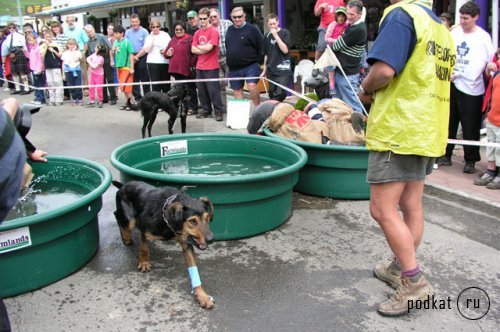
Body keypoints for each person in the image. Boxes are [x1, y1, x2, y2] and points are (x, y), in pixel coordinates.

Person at [357, 0, 455, 316]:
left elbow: (384, 70)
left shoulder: (401, 15)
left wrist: (365, 88)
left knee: (382, 208)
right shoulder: (440, 27)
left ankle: (413, 281)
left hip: (399, 129)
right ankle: (401, 266)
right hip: (428, 128)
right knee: (412, 204)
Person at [437, 1, 495, 173]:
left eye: (466, 18)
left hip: (471, 86)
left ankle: (470, 159)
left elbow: (486, 62)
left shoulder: (483, 37)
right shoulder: (455, 33)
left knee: (470, 125)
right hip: (451, 82)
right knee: (449, 121)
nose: (462, 21)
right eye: (460, 17)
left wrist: (464, 74)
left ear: (476, 17)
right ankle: (445, 154)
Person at [329, 0, 366, 114]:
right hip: (343, 71)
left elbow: (336, 46)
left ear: (360, 14)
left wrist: (335, 43)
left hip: (348, 73)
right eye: (348, 13)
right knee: (342, 107)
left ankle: (358, 130)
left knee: (353, 107)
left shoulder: (357, 29)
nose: (348, 17)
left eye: (352, 14)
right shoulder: (351, 26)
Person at [225, 6, 264, 107]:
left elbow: (261, 46)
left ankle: (257, 109)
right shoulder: (229, 30)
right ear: (231, 17)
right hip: (234, 68)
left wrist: (259, 63)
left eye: (240, 16)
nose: (237, 19)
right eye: (234, 17)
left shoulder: (252, 29)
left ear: (244, 16)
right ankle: (241, 117)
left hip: (251, 65)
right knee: (237, 91)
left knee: (252, 86)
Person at [191, 7, 224, 121]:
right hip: (199, 66)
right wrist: (202, 48)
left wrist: (199, 48)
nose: (202, 21)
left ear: (209, 18)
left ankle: (218, 111)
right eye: (200, 19)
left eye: (204, 18)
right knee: (202, 91)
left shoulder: (214, 32)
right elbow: (193, 50)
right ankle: (206, 110)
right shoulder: (197, 33)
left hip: (211, 66)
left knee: (213, 91)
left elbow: (210, 48)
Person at [475, 51, 500, 189]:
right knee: (491, 146)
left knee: (499, 149)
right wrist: (487, 113)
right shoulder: (496, 75)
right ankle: (491, 170)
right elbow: (491, 95)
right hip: (492, 118)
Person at [164, 22, 198, 113]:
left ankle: (193, 107)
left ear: (184, 30)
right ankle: (183, 106)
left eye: (180, 29)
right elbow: (166, 53)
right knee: (180, 90)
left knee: (190, 89)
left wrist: (191, 64)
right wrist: (167, 53)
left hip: (187, 69)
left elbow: (195, 53)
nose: (178, 31)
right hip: (176, 70)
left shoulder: (190, 39)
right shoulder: (172, 40)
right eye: (176, 30)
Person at [260, 13, 292, 102]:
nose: (272, 26)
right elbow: (266, 55)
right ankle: (275, 111)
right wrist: (264, 71)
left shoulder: (285, 32)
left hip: (283, 70)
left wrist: (276, 36)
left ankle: (273, 108)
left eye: (274, 23)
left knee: (280, 93)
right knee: (272, 93)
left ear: (278, 22)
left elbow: (285, 50)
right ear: (267, 24)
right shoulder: (266, 36)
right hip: (271, 70)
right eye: (270, 24)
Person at [84, 24, 117, 105]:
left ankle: (113, 98)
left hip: (106, 59)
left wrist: (111, 60)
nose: (90, 33)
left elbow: (110, 48)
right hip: (98, 63)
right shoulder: (88, 42)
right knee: (101, 81)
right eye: (88, 32)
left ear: (94, 30)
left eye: (91, 31)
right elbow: (91, 54)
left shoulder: (101, 37)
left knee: (110, 80)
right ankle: (104, 98)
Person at [136, 19, 171, 93]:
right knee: (155, 85)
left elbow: (170, 46)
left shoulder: (165, 35)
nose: (155, 28)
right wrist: (152, 38)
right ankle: (157, 103)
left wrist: (164, 51)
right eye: (153, 27)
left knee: (166, 85)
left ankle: (167, 102)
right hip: (152, 62)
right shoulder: (149, 37)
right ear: (150, 28)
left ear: (160, 27)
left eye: (157, 26)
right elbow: (147, 49)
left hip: (164, 62)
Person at [209, 7, 232, 113]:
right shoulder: (208, 28)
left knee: (234, 83)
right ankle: (223, 108)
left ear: (219, 15)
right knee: (220, 84)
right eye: (211, 17)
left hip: (228, 57)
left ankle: (237, 107)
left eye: (215, 16)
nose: (213, 18)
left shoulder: (227, 23)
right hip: (216, 58)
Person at [126, 14, 151, 102]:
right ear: (130, 22)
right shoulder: (127, 32)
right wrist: (132, 56)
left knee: (144, 77)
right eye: (133, 22)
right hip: (131, 56)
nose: (134, 23)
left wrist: (137, 56)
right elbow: (126, 46)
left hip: (142, 56)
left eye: (136, 21)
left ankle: (147, 97)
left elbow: (146, 46)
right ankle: (138, 98)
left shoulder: (145, 32)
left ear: (139, 21)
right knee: (134, 78)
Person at [1, 23, 30, 95]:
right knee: (14, 72)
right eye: (10, 28)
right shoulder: (8, 37)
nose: (12, 29)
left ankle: (26, 88)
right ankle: (18, 88)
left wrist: (27, 56)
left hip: (19, 52)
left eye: (13, 27)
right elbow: (8, 47)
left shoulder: (19, 36)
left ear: (15, 28)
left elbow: (24, 46)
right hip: (11, 53)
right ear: (8, 29)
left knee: (22, 71)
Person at [63, 16, 89, 97]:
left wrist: (83, 52)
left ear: (74, 21)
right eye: (68, 21)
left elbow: (86, 42)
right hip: (69, 54)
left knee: (83, 71)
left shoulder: (80, 30)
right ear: (66, 22)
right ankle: (75, 91)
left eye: (72, 20)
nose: (70, 22)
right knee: (71, 72)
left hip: (80, 52)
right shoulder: (65, 32)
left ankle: (85, 88)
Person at [111, 25, 135, 111]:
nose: (115, 35)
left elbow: (131, 55)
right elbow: (113, 53)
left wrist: (132, 67)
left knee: (127, 87)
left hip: (126, 67)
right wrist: (112, 57)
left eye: (116, 33)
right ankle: (127, 102)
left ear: (122, 33)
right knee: (123, 87)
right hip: (119, 67)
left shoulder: (127, 42)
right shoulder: (115, 43)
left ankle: (132, 103)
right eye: (114, 33)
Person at [40, 31, 64, 106]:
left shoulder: (56, 45)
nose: (48, 38)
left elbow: (60, 55)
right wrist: (46, 46)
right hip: (48, 67)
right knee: (50, 83)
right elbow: (42, 56)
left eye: (50, 36)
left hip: (56, 66)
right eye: (46, 37)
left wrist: (53, 50)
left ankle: (59, 99)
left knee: (58, 82)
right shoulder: (43, 46)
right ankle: (52, 99)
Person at [50, 21, 70, 101]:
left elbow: (66, 47)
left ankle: (67, 94)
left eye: (56, 27)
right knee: (56, 77)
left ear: (59, 27)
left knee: (63, 76)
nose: (55, 28)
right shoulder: (51, 37)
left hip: (62, 57)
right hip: (53, 59)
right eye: (53, 27)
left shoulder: (64, 36)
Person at [61, 38, 83, 106]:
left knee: (78, 85)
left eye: (73, 44)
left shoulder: (78, 52)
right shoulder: (65, 53)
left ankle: (80, 98)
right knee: (71, 86)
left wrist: (74, 51)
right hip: (68, 71)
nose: (71, 46)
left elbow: (76, 59)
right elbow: (63, 64)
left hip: (76, 70)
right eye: (70, 44)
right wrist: (63, 74)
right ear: (67, 45)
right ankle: (74, 98)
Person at [27, 35, 46, 105]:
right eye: (29, 40)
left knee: (39, 84)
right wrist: (26, 53)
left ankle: (41, 98)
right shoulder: (31, 49)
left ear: (35, 40)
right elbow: (31, 58)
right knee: (36, 84)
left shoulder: (38, 48)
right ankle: (37, 97)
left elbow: (40, 60)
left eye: (31, 40)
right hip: (33, 68)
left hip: (38, 69)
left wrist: (39, 69)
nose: (30, 42)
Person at [86, 44, 106, 108]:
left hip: (99, 75)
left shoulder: (101, 58)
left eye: (97, 48)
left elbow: (95, 67)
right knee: (91, 87)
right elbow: (88, 58)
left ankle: (100, 100)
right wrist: (89, 61)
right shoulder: (94, 54)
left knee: (99, 88)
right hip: (92, 74)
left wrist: (89, 62)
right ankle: (92, 100)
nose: (95, 48)